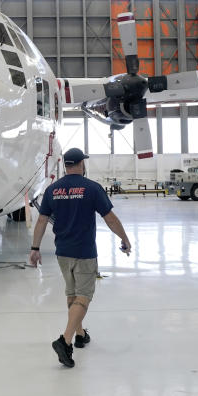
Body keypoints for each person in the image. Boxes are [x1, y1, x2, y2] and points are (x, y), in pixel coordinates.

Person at [29, 147, 131, 368]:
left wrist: (35, 247)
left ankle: (80, 333)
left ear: (66, 165)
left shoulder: (53, 190)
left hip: (62, 253)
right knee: (83, 296)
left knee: (72, 294)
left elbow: (41, 221)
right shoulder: (92, 188)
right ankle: (65, 340)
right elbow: (111, 219)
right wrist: (125, 239)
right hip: (84, 252)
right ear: (81, 164)